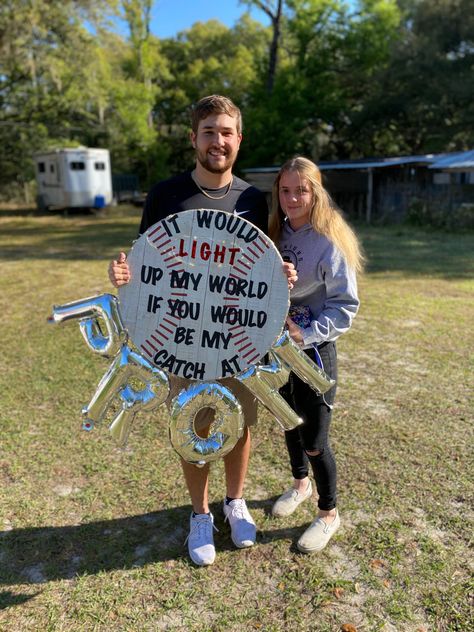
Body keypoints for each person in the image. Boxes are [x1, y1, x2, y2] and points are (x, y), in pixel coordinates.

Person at [108, 95, 297, 566]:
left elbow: (263, 268)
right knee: (195, 423)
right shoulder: (165, 195)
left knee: (240, 421)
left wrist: (283, 277)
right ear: (194, 138)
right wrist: (123, 276)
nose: (219, 141)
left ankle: (234, 503)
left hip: (238, 338)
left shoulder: (255, 199)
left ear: (239, 139)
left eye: (227, 132)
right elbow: (145, 263)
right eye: (209, 131)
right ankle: (199, 515)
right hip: (182, 338)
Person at [269, 156, 363, 553]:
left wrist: (306, 333)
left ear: (315, 192)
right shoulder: (275, 232)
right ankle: (300, 484)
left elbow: (344, 305)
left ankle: (328, 513)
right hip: (277, 349)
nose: (292, 198)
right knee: (289, 423)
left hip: (315, 352)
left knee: (315, 439)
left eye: (301, 190)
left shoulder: (328, 239)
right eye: (286, 190)